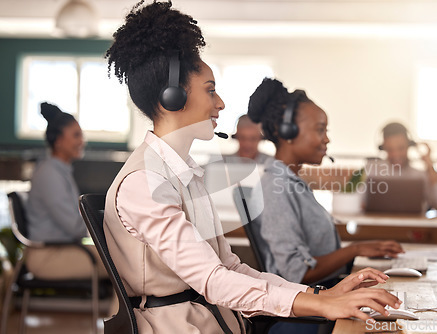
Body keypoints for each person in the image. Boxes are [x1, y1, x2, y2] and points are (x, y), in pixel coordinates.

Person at [103, 1, 401, 333]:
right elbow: (213, 281)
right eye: (210, 90)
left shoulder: (183, 173)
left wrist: (319, 294)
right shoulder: (144, 182)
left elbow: (229, 266)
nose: (221, 103)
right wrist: (320, 303)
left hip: (214, 322)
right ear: (171, 98)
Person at [247, 78, 404, 286]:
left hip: (326, 290)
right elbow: (297, 272)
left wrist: (358, 252)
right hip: (312, 304)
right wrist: (355, 250)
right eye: (320, 129)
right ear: (287, 131)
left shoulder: (292, 182)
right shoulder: (275, 188)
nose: (327, 139)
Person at [25, 102, 108, 280]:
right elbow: (73, 227)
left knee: (120, 261)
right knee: (122, 266)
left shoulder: (59, 170)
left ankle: (115, 309)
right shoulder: (50, 174)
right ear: (59, 140)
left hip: (62, 250)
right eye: (76, 135)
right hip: (48, 256)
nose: (82, 141)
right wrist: (107, 224)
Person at [375, 122, 437, 212]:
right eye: (390, 149)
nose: (396, 154)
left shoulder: (420, 176)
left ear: (409, 145)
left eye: (400, 148)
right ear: (383, 148)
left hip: (415, 226)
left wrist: (429, 165)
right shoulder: (373, 174)